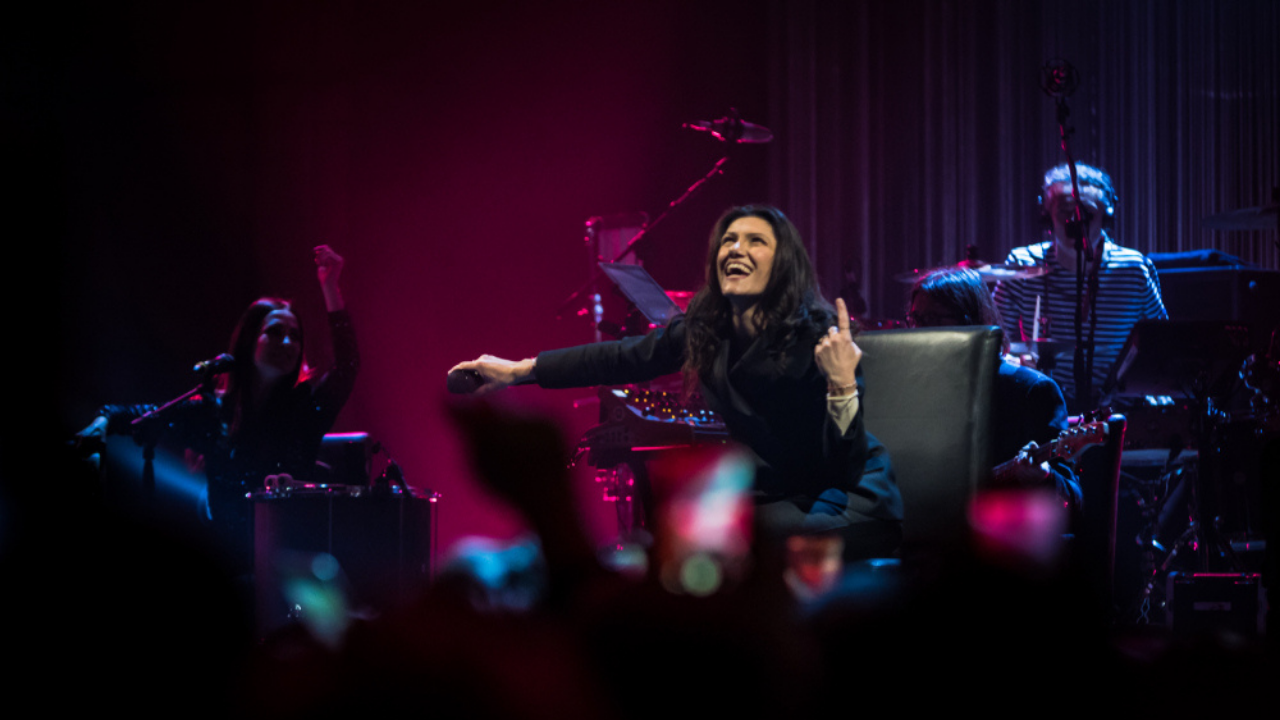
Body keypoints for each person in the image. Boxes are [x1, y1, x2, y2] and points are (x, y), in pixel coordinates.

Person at [451, 205, 903, 560]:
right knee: (670, 540)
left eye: (755, 241)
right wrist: (518, 371)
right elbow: (621, 358)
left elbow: (840, 464)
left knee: (713, 544)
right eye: (728, 240)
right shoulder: (708, 329)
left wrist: (842, 384)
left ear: (784, 264)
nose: (735, 250)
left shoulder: (817, 337)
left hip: (845, 496)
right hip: (776, 496)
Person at [79, 245, 359, 571]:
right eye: (275, 333)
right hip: (227, 566)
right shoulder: (213, 412)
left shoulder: (306, 408)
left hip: (289, 567)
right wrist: (101, 422)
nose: (287, 343)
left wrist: (330, 287)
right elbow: (135, 416)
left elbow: (347, 366)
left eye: (295, 336)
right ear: (249, 342)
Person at [992, 163, 1167, 412]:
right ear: (1046, 215)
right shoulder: (1023, 265)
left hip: (1120, 409)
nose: (1075, 220)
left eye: (1087, 212)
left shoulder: (1133, 268)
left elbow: (1160, 343)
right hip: (1044, 408)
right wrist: (1018, 364)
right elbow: (995, 343)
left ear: (1107, 215)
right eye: (1065, 211)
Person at [908, 267, 1081, 509]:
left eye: (933, 320)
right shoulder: (913, 391)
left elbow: (1074, 500)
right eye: (915, 320)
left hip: (1004, 537)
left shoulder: (1032, 392)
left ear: (973, 322)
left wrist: (1044, 478)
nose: (918, 332)